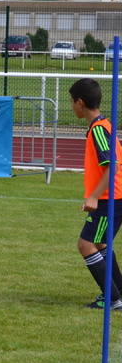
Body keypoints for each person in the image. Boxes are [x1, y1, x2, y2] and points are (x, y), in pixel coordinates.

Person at [68, 78, 122, 312]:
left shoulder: (99, 129)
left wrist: (94, 197)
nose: (72, 106)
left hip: (110, 198)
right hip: (114, 196)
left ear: (80, 102)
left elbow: (113, 165)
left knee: (86, 245)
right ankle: (118, 293)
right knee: (100, 242)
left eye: (72, 102)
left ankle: (113, 299)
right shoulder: (103, 125)